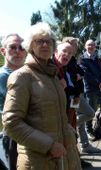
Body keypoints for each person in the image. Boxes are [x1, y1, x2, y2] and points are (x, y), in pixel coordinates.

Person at [2, 22, 81, 170]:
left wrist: (69, 132)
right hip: (38, 160)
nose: (45, 44)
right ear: (30, 46)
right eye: (39, 41)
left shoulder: (53, 76)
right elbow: (11, 122)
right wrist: (49, 145)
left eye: (49, 41)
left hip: (66, 156)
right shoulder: (21, 77)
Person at [0, 33, 27, 170]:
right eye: (13, 47)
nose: (18, 51)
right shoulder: (4, 76)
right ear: (3, 51)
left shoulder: (25, 74)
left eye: (21, 47)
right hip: (13, 136)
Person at [79, 39, 101, 136]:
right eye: (89, 45)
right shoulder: (82, 59)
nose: (91, 47)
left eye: (93, 45)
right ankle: (89, 130)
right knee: (91, 109)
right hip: (90, 88)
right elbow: (87, 74)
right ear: (85, 46)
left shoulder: (98, 59)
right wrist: (99, 82)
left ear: (95, 47)